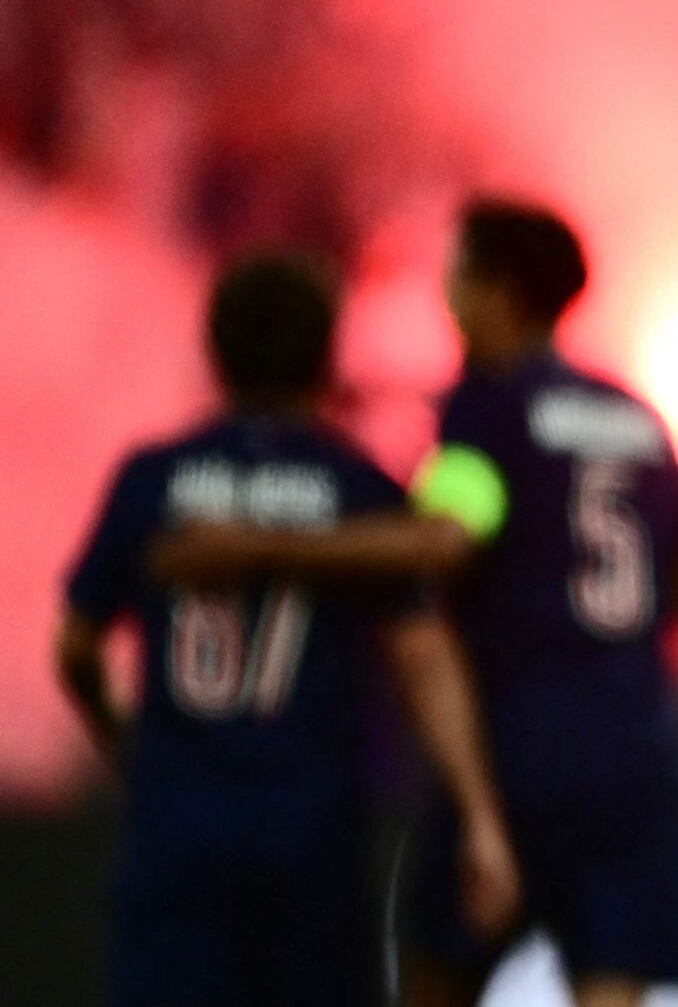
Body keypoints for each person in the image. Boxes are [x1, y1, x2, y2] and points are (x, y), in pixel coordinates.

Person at [155, 200, 678, 1007]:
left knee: (437, 983)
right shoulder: (637, 417)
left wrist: (258, 545)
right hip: (636, 757)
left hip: (518, 745)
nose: (447, 298)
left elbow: (447, 536)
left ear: (500, 291)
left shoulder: (492, 403)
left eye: (457, 275)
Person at [54, 253, 521, 1007]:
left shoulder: (153, 477)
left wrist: (118, 735)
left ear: (214, 350)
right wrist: (479, 814)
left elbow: (76, 645)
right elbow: (423, 656)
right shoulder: (353, 484)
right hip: (312, 830)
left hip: (177, 824)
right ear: (327, 357)